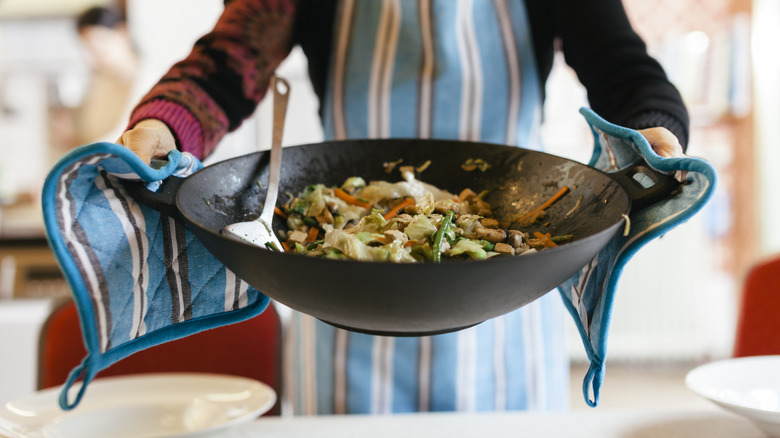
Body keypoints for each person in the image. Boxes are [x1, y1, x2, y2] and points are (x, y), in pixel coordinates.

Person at [116, 0, 688, 414]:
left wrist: (653, 133)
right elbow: (229, 59)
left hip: (503, 296)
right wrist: (163, 123)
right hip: (338, 292)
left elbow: (623, 69)